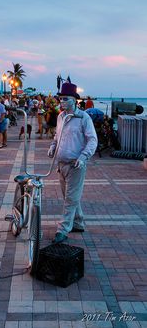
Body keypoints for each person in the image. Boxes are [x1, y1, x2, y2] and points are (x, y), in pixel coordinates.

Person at [47, 81, 98, 244]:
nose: (61, 102)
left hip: (75, 165)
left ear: (74, 100)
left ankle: (63, 229)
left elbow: (92, 140)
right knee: (69, 197)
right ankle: (78, 222)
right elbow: (57, 136)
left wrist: (83, 157)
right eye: (60, 98)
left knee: (70, 198)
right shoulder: (61, 117)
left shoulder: (84, 118)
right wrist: (52, 147)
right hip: (61, 165)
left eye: (65, 99)